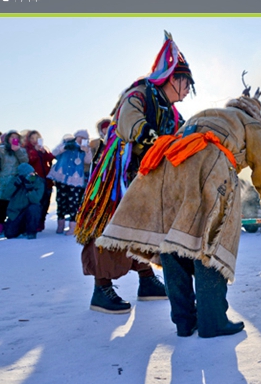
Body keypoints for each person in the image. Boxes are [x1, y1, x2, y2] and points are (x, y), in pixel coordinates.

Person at [96, 75, 261, 338]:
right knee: (208, 244)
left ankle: (184, 321)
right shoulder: (251, 123)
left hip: (170, 169)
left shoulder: (204, 114)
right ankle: (213, 321)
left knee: (175, 243)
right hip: (208, 169)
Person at [75, 32, 195, 314]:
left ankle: (147, 279)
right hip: (118, 173)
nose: (188, 89)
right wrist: (152, 136)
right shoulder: (139, 94)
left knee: (143, 227)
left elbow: (185, 135)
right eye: (186, 82)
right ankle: (100, 288)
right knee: (110, 225)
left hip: (147, 176)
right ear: (171, 78)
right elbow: (130, 123)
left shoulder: (174, 113)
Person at [49, 134, 90, 235]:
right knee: (60, 201)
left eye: (84, 138)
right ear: (76, 137)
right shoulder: (66, 143)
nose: (81, 139)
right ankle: (60, 225)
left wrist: (87, 151)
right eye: (80, 137)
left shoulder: (84, 148)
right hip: (61, 177)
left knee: (73, 203)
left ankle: (72, 227)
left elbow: (88, 161)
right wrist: (64, 147)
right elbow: (54, 153)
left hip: (75, 179)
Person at [0, 130, 29, 235]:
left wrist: (17, 150)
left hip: (15, 181)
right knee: (1, 204)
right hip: (2, 180)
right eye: (11, 137)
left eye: (16, 137)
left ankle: (11, 225)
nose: (14, 139)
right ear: (7, 138)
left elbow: (25, 162)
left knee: (13, 204)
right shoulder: (0, 150)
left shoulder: (22, 150)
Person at [23, 130, 55, 231]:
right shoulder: (26, 150)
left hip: (47, 180)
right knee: (37, 202)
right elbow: (28, 161)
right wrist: (35, 152)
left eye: (36, 138)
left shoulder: (44, 149)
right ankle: (34, 222)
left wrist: (44, 152)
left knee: (46, 202)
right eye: (32, 138)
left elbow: (51, 158)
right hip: (35, 180)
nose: (34, 141)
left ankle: (41, 221)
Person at [3, 163, 44, 239]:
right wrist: (15, 185)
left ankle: (31, 231)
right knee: (9, 234)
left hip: (29, 210)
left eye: (32, 172)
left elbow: (36, 199)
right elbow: (6, 195)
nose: (31, 175)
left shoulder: (38, 181)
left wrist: (30, 190)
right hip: (16, 212)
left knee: (34, 208)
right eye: (28, 173)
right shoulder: (15, 180)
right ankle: (20, 228)